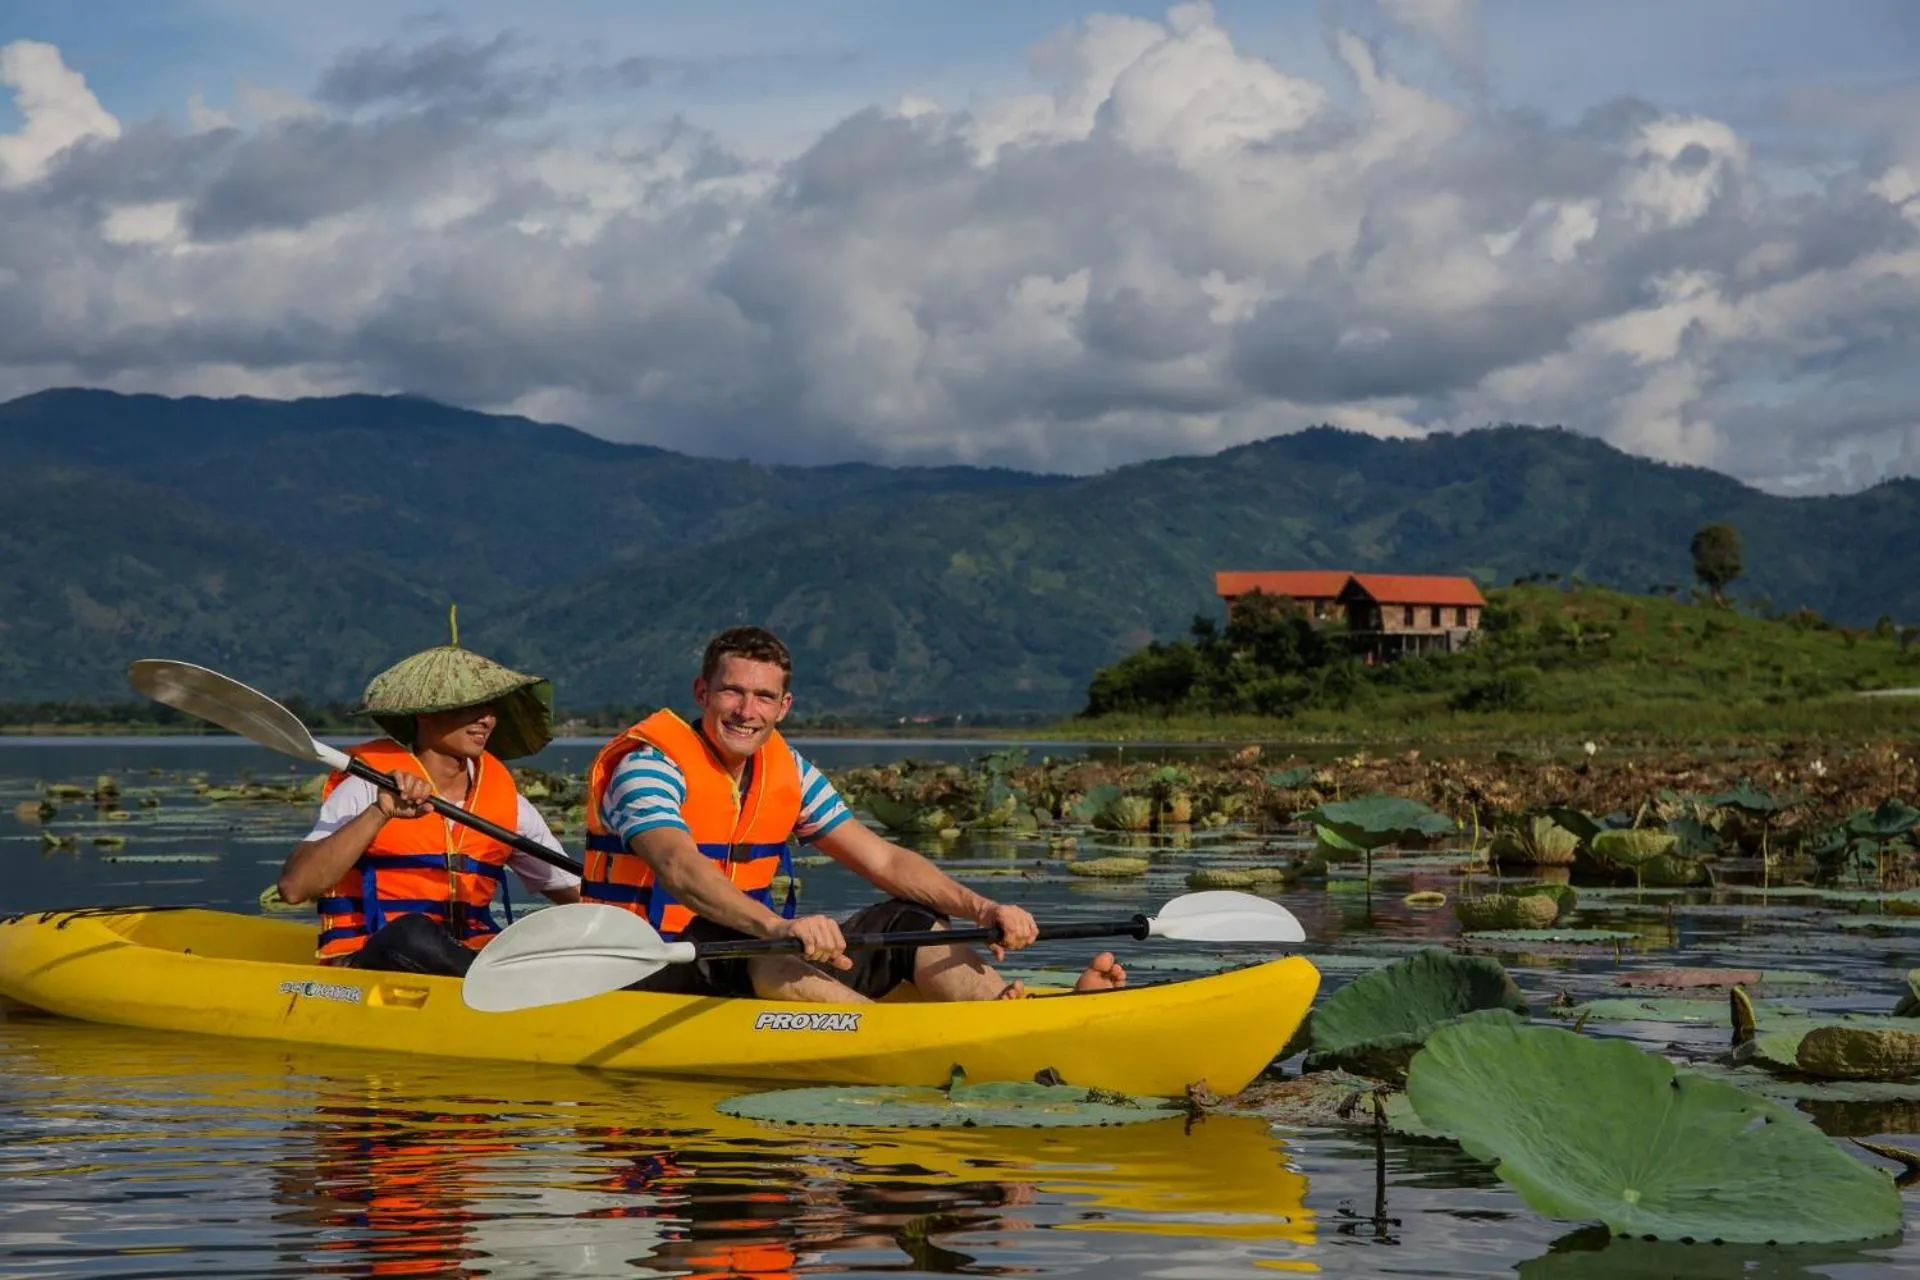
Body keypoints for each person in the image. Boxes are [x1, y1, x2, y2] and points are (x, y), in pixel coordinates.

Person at [580, 625, 1126, 1002]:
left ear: (784, 706)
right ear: (703, 692)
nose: (748, 712)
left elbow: (883, 859)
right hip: (650, 966)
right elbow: (678, 868)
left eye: (764, 697)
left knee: (909, 919)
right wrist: (778, 925)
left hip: (755, 953)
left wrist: (983, 908)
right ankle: (879, 1035)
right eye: (733, 692)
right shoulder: (649, 766)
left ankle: (1006, 1012)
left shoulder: (787, 769)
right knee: (763, 948)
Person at [277, 640, 581, 976]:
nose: (486, 720)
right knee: (413, 932)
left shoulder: (511, 806)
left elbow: (577, 895)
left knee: (551, 934)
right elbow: (295, 887)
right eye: (470, 706)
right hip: (379, 961)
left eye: (491, 708)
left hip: (471, 962)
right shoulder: (365, 788)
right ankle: (501, 985)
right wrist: (380, 812)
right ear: (425, 715)